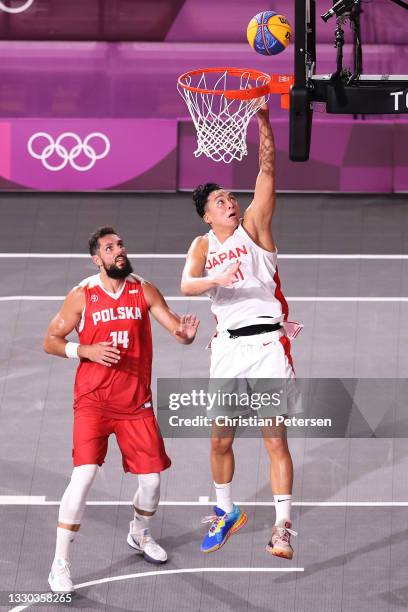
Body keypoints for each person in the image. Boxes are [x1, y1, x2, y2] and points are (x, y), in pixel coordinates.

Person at [43, 226, 199, 593]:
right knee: (82, 478)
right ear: (97, 259)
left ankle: (139, 533)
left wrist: (185, 335)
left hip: (134, 403)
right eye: (110, 248)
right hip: (93, 403)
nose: (120, 250)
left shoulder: (142, 289)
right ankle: (60, 562)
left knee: (152, 482)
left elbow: (175, 327)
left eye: (121, 245)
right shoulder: (82, 295)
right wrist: (84, 350)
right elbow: (51, 340)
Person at [181, 102, 299, 559]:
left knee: (274, 438)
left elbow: (268, 169)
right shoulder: (201, 245)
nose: (229, 201)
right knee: (220, 439)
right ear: (206, 216)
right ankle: (226, 512)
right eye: (218, 201)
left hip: (268, 345)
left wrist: (264, 121)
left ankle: (283, 526)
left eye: (230, 196)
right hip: (227, 351)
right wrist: (216, 279)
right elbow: (187, 285)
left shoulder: (255, 227)